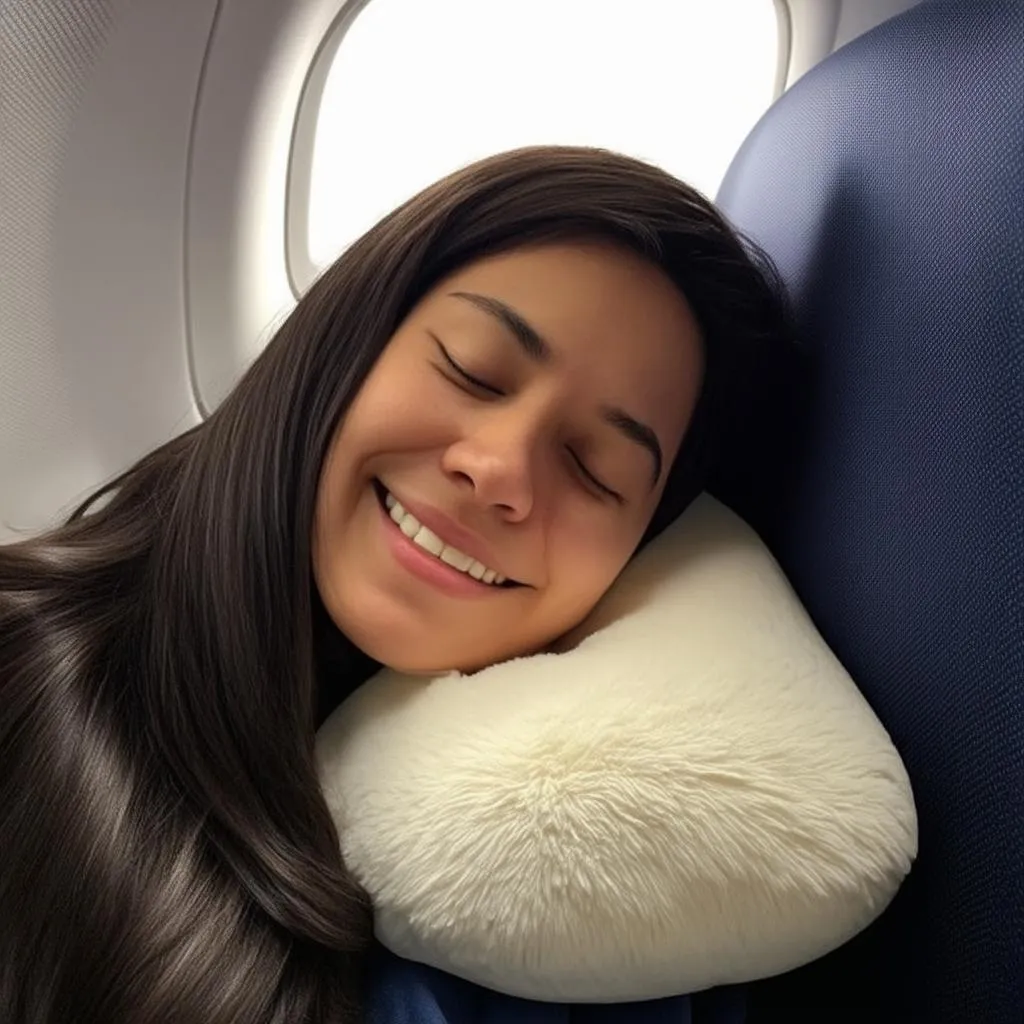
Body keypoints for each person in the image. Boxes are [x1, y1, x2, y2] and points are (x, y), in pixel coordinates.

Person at [0, 146, 793, 1023]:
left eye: (594, 468)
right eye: (472, 369)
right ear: (346, 341)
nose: (499, 472)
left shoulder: (599, 929)